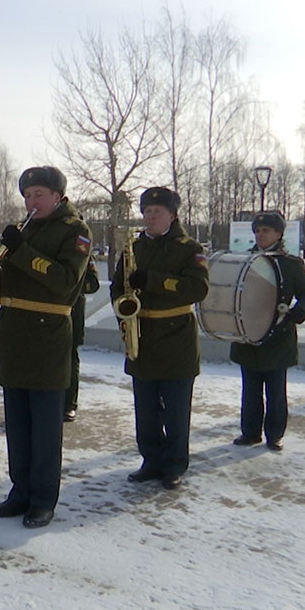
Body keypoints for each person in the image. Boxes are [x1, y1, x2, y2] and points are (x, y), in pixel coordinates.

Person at [0, 167, 91, 528]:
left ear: (58, 196)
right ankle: (20, 491)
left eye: (39, 194)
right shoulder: (25, 228)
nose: (32, 201)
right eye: (27, 195)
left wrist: (21, 251)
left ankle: (43, 498)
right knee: (18, 423)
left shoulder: (75, 231)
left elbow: (63, 281)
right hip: (15, 336)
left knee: (45, 427)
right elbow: (5, 280)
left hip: (47, 337)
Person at [112, 187, 209, 490]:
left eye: (157, 212)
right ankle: (151, 460)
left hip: (176, 337)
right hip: (142, 335)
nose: (150, 217)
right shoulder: (135, 248)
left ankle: (174, 464)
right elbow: (117, 287)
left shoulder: (189, 247)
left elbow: (197, 289)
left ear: (173, 214)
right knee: (146, 407)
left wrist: (153, 281)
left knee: (176, 408)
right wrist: (123, 318)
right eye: (146, 212)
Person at [230, 212, 305, 451]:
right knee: (250, 390)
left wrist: (300, 311)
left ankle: (274, 434)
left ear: (279, 234)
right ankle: (250, 432)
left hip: (278, 337)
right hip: (247, 334)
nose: (260, 235)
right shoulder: (243, 261)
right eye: (257, 231)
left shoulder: (291, 264)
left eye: (266, 231)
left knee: (275, 391)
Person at [64, 256, 100, 422]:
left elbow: (92, 284)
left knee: (70, 359)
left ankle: (69, 405)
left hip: (72, 312)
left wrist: (68, 284)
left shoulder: (82, 252)